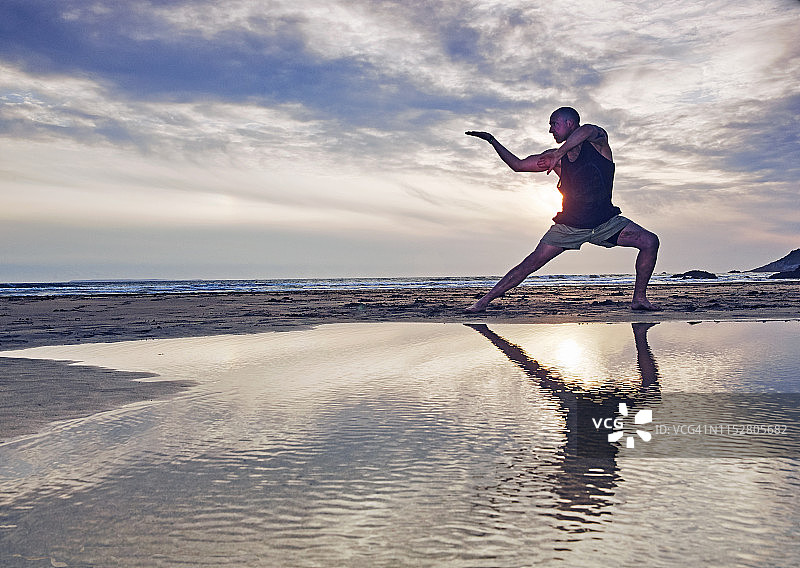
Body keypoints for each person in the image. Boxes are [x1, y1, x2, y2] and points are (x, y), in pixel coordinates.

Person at [465, 106, 660, 312]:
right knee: (530, 263)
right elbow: (518, 165)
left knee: (650, 241)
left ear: (569, 123)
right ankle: (483, 302)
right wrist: (492, 140)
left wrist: (559, 153)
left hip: (606, 223)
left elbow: (586, 129)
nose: (550, 130)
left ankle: (639, 299)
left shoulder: (598, 144)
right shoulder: (554, 159)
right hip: (569, 226)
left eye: (553, 124)